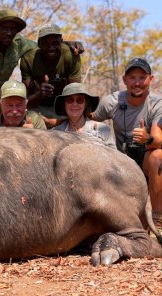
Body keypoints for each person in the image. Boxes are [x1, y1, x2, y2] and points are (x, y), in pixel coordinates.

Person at [90, 57, 162, 229]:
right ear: (124, 80)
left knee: (158, 156)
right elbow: (88, 118)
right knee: (135, 227)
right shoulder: (112, 101)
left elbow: (158, 140)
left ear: (150, 79)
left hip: (145, 158)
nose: (137, 83)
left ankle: (159, 221)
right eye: (132, 77)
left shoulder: (157, 103)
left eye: (142, 77)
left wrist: (147, 139)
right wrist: (55, 122)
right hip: (119, 162)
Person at [20, 23, 82, 127]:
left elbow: (76, 93)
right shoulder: (29, 59)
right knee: (27, 119)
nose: (51, 48)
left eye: (55, 43)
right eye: (45, 44)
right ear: (39, 44)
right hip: (39, 107)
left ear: (61, 42)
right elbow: (28, 102)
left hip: (64, 107)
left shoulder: (71, 55)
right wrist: (40, 94)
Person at [52, 83, 116, 148]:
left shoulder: (103, 130)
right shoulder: (55, 133)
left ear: (85, 104)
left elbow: (114, 156)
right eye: (70, 100)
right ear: (64, 105)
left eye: (79, 100)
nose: (74, 104)